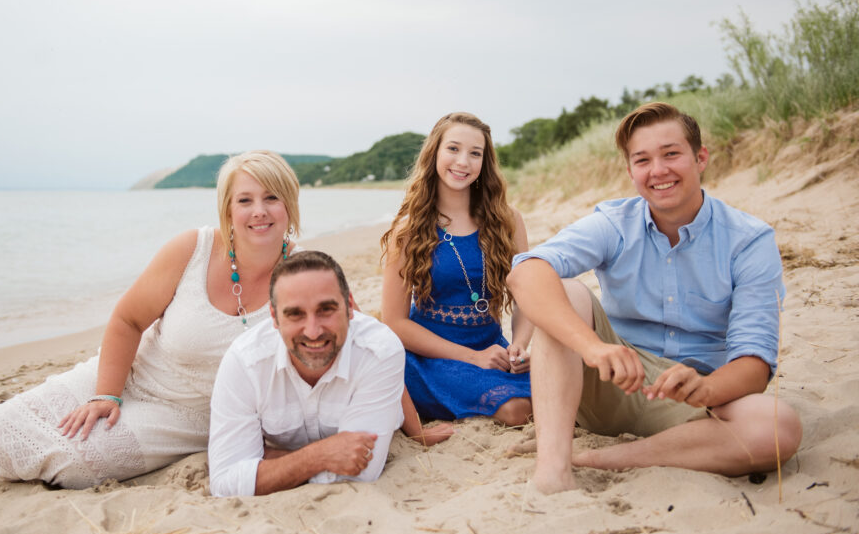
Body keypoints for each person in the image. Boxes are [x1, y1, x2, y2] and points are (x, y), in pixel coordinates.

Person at [507, 102, 803, 495]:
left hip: (696, 398)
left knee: (780, 428)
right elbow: (525, 271)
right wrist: (593, 348)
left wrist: (707, 388)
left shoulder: (748, 240)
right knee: (563, 289)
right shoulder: (614, 223)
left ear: (701, 159)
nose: (658, 171)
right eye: (642, 160)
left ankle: (600, 458)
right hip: (613, 381)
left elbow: (755, 363)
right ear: (630, 172)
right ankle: (553, 470)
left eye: (671, 154)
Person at [0, 151, 302, 488]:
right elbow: (128, 319)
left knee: (73, 464)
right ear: (228, 209)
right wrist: (106, 394)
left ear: (289, 204)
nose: (259, 211)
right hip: (129, 373)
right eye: (245, 200)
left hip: (187, 417)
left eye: (271, 198)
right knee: (0, 428)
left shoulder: (304, 274)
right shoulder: (194, 248)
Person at [381, 112, 533, 436]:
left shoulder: (508, 220)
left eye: (475, 153)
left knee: (560, 388)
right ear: (435, 153)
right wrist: (472, 357)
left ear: (484, 162)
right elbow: (394, 322)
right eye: (453, 149)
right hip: (429, 358)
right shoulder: (408, 231)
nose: (463, 161)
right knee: (517, 409)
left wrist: (520, 345)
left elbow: (527, 296)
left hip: (494, 350)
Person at [208, 251, 405, 496]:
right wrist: (317, 456)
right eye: (295, 314)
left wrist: (267, 464)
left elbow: (362, 473)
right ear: (274, 316)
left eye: (326, 309)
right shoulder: (246, 362)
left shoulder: (379, 351)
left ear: (350, 307)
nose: (313, 331)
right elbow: (225, 483)